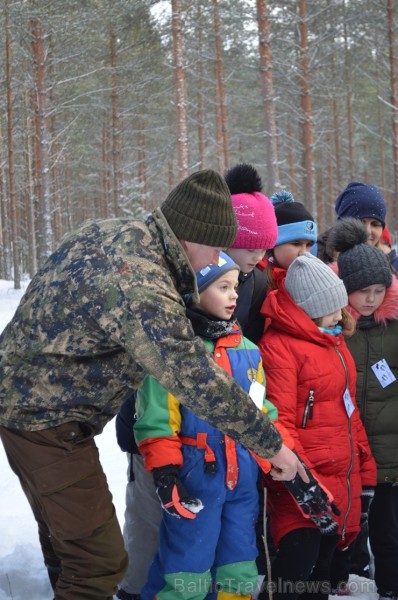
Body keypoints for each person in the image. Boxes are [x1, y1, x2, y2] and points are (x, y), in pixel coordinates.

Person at [0, 169, 304, 600]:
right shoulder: (141, 281)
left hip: (33, 402)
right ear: (193, 238)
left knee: (71, 549)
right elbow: (195, 378)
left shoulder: (116, 232)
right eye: (217, 248)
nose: (219, 261)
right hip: (45, 419)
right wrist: (271, 445)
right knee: (98, 561)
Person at [114, 163, 279, 599]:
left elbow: (261, 406)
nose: (235, 293)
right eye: (223, 285)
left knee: (237, 565)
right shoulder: (172, 336)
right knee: (174, 560)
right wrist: (166, 464)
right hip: (187, 470)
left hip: (237, 478)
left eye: (236, 286)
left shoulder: (247, 347)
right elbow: (155, 412)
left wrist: (270, 452)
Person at [258, 253, 376, 600]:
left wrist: (365, 470)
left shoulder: (335, 343)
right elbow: (278, 420)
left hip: (340, 477)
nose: (342, 313)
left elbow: (349, 414)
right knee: (298, 561)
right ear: (309, 308)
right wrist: (304, 479)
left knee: (321, 571)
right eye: (334, 306)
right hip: (302, 481)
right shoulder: (279, 347)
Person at [327, 218, 398, 600]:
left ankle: (390, 587)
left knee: (388, 532)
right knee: (343, 526)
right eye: (361, 291)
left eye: (378, 290)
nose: (370, 299)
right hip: (347, 451)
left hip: (389, 452)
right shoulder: (333, 330)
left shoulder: (395, 327)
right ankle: (341, 583)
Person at [224, 162, 277, 344]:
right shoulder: (203, 277)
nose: (258, 257)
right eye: (250, 249)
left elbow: (253, 338)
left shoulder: (258, 282)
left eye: (264, 249)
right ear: (228, 242)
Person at [258, 190, 318, 292]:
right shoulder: (255, 281)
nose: (304, 253)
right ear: (272, 244)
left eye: (309, 245)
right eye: (296, 244)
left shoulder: (315, 281)